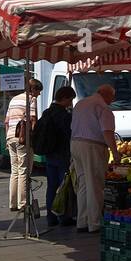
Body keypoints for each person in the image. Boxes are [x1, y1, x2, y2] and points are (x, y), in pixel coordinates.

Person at [71, 84, 120, 233]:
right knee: (95, 185)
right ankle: (94, 223)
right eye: (112, 96)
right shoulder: (103, 108)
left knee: (84, 184)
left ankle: (82, 221)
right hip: (92, 146)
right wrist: (115, 152)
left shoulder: (81, 103)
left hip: (75, 144)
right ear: (106, 95)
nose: (113, 100)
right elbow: (107, 133)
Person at [34, 85, 76, 228]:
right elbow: (68, 135)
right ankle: (64, 217)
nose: (71, 103)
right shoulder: (64, 116)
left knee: (51, 186)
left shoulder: (47, 112)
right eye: (70, 100)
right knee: (63, 187)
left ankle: (51, 217)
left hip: (49, 155)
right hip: (62, 154)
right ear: (64, 98)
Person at [3, 78, 43, 212]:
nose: (39, 94)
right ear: (33, 89)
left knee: (14, 171)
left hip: (10, 137)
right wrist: (34, 137)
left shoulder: (13, 99)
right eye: (38, 91)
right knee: (24, 171)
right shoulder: (31, 99)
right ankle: (23, 203)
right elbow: (32, 120)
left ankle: (12, 203)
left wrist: (6, 139)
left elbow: (6, 122)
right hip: (22, 138)